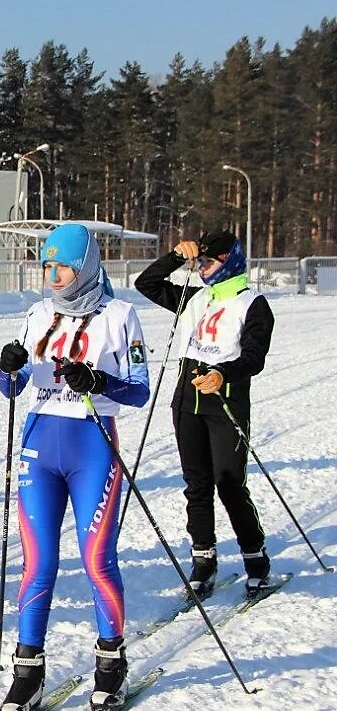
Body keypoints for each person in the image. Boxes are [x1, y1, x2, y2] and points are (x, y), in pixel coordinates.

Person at [0, 223, 150, 711]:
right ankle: (27, 673)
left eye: (61, 266)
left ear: (85, 265)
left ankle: (109, 664)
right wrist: (9, 365)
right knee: (37, 561)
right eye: (46, 266)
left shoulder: (120, 315)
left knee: (96, 558)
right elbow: (10, 388)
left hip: (92, 445)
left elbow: (139, 390)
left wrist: (100, 379)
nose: (53, 275)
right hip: (40, 444)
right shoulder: (37, 315)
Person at [135, 230, 274, 596]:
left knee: (229, 485)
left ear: (231, 261)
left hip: (224, 401)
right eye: (200, 263)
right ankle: (203, 560)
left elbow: (253, 356)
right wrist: (176, 257)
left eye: (209, 263)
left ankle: (255, 557)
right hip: (187, 402)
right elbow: (146, 283)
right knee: (196, 486)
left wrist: (222, 374)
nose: (202, 269)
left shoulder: (252, 303)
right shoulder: (194, 298)